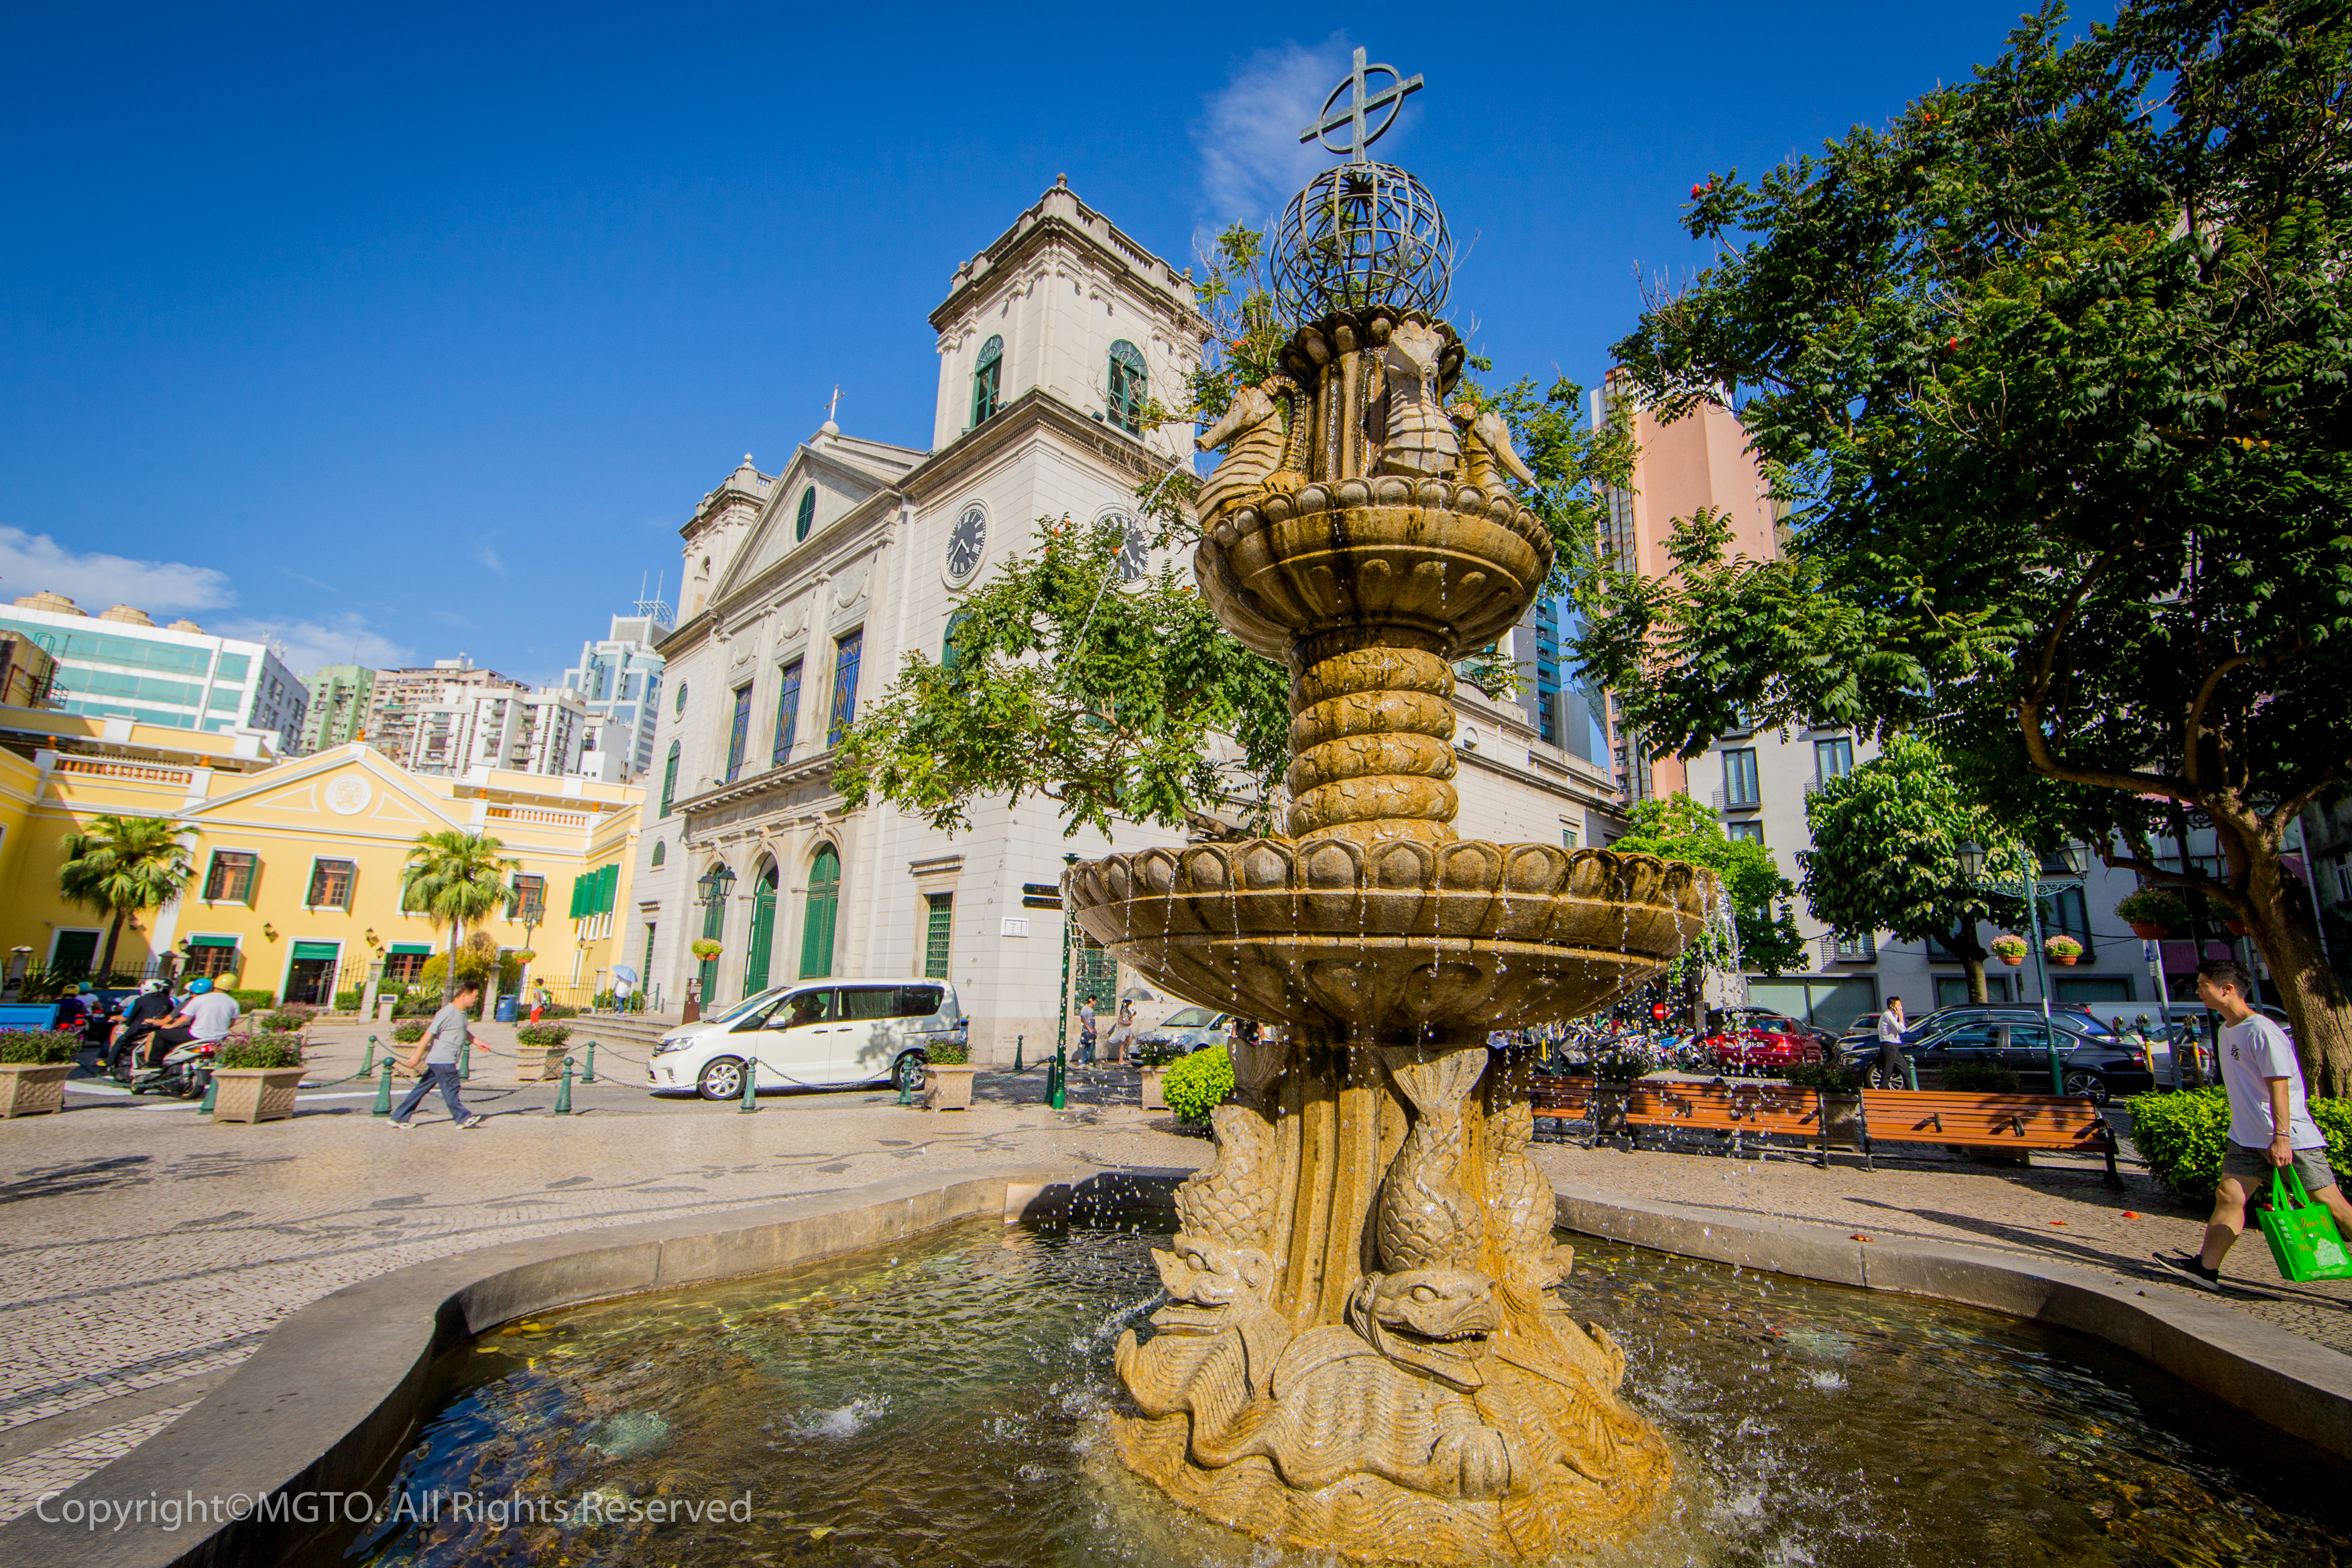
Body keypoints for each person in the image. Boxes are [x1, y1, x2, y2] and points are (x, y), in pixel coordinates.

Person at [2156, 959, 2352, 1290]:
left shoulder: (2262, 1031)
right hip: (2246, 1138)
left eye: (2203, 985)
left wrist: (2281, 1136)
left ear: (2227, 989)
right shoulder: (2226, 1028)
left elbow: (2280, 1085)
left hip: (2288, 1138)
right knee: (2228, 1197)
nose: (2198, 990)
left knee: (2331, 1205)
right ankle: (2206, 1269)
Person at [391, 982, 487, 1130]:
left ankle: (398, 1117)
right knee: (451, 1088)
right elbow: (429, 1034)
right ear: (463, 996)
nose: (476, 999)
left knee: (421, 1089)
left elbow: (462, 1031)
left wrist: (477, 1042)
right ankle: (462, 1117)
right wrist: (417, 1056)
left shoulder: (462, 1012)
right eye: (475, 996)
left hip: (441, 1059)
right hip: (443, 1059)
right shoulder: (447, 1012)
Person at [147, 977, 239, 1067]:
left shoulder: (200, 999)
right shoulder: (233, 1002)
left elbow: (184, 1020)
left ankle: (154, 1064)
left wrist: (170, 1026)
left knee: (160, 1034)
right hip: (218, 1039)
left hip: (196, 1035)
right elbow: (231, 1024)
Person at [111, 980, 176, 1079]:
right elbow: (172, 1016)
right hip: (162, 1028)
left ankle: (110, 1062)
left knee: (120, 1040)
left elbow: (129, 1018)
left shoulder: (138, 1000)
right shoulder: (171, 1000)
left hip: (143, 1029)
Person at [1875, 997, 1907, 1087]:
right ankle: (1883, 1094)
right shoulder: (1888, 1016)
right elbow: (1901, 1029)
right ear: (1892, 1007)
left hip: (1894, 1045)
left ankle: (1913, 1096)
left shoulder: (1893, 1016)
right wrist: (1901, 1016)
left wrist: (1898, 1016)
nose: (1901, 1008)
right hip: (1889, 1045)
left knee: (1906, 1072)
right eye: (1899, 1005)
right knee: (1887, 1072)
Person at [1105, 1001, 1136, 1066]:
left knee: (1126, 1043)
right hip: (1125, 1030)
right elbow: (1123, 1020)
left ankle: (1122, 1059)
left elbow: (1126, 1017)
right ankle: (1122, 1059)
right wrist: (1129, 1022)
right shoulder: (1124, 1010)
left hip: (1127, 1030)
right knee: (1125, 1044)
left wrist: (1132, 1016)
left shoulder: (1126, 1009)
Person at [1077, 998, 1098, 1067]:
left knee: (1089, 1046)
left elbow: (1092, 1021)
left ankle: (1085, 1061)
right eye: (1095, 1001)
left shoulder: (1091, 1010)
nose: (1096, 1002)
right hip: (1087, 1030)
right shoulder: (1085, 1008)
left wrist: (1094, 1029)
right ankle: (1084, 1061)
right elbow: (1082, 1019)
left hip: (1091, 1030)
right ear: (1092, 1001)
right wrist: (1089, 1029)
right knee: (1089, 1046)